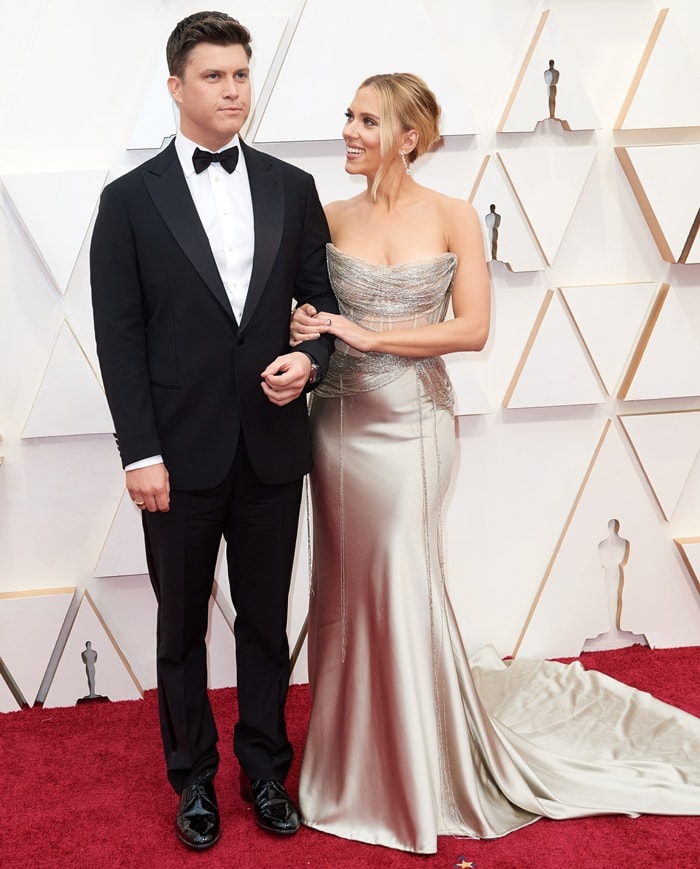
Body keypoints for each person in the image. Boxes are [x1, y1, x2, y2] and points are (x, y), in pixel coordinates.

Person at [290, 73, 700, 854]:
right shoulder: (326, 216)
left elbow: (472, 328)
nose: (348, 130)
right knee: (344, 590)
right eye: (347, 115)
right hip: (337, 423)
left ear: (409, 136)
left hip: (412, 425)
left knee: (404, 580)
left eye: (366, 120)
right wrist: (306, 321)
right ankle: (349, 764)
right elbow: (309, 315)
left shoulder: (452, 217)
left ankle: (417, 768)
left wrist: (373, 337)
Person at [90, 11, 337, 851]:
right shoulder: (126, 202)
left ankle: (266, 770)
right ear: (175, 87)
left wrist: (312, 364)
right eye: (213, 76)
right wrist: (141, 451)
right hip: (177, 455)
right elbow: (120, 336)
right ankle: (192, 778)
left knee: (266, 620)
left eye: (240, 74)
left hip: (272, 445)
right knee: (180, 626)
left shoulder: (291, 187)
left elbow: (319, 309)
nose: (232, 90)